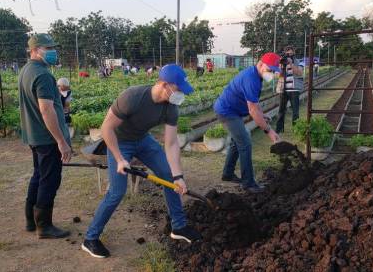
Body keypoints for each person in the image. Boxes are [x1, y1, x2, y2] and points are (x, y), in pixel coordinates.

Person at [82, 64, 201, 258]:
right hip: (119, 142)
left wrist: (178, 176)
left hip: (143, 140)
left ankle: (178, 227)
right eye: (178, 89)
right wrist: (120, 159)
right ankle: (90, 238)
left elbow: (171, 144)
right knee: (116, 192)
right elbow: (106, 128)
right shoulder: (133, 97)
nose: (180, 94)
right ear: (164, 85)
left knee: (169, 175)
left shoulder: (171, 108)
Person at [18, 33, 72, 239]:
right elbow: (46, 110)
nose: (52, 52)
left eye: (52, 48)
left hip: (34, 135)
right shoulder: (43, 75)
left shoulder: (25, 71)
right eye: (48, 49)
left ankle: (31, 221)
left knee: (38, 176)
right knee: (50, 180)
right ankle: (44, 226)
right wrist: (61, 141)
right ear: (35, 50)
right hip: (48, 138)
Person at [213, 53, 281, 194]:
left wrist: (262, 115)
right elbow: (252, 110)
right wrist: (269, 131)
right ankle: (248, 183)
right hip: (227, 111)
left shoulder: (256, 75)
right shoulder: (251, 79)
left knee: (236, 141)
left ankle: (228, 174)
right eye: (270, 69)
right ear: (261, 64)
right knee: (245, 142)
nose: (272, 73)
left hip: (233, 111)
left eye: (274, 71)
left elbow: (255, 104)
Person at [275, 46, 304, 135]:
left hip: (294, 90)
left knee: (295, 111)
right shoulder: (282, 62)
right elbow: (276, 75)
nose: (289, 55)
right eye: (287, 54)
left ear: (294, 53)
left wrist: (291, 64)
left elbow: (299, 72)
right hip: (283, 89)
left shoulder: (299, 61)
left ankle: (296, 129)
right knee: (281, 110)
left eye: (291, 54)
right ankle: (279, 129)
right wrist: (281, 66)